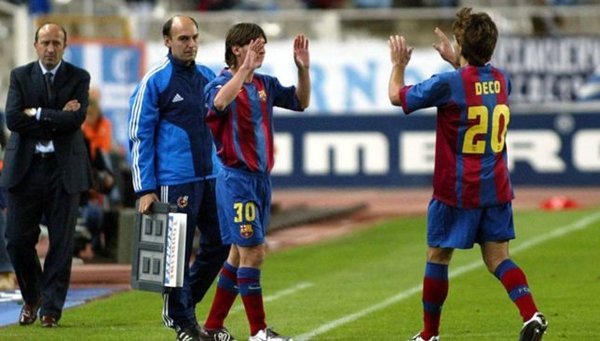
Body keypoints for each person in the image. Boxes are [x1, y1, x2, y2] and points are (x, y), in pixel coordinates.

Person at [387, 7, 548, 341]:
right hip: (497, 188)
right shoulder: (503, 80)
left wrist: (398, 65)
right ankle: (531, 314)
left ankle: (429, 335)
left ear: (460, 44)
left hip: (457, 191)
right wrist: (457, 60)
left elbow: (396, 96)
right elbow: (476, 84)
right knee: (498, 259)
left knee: (438, 256)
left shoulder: (449, 83)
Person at [199, 23, 310, 341]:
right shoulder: (219, 83)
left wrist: (302, 70)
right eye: (255, 45)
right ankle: (259, 331)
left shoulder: (265, 84)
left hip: (260, 180)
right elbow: (219, 104)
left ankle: (212, 327)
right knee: (254, 252)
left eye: (263, 46)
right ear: (236, 49)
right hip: (237, 180)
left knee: (238, 254)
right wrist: (243, 71)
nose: (261, 51)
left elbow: (301, 102)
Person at [128, 15, 230, 341]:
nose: (191, 44)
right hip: (175, 179)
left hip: (210, 176)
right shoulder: (155, 81)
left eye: (194, 38)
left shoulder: (207, 76)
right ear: (167, 41)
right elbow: (139, 135)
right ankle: (183, 322)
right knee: (174, 256)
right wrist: (145, 188)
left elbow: (222, 123)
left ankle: (184, 306)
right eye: (183, 38)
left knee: (221, 243)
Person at [1, 22, 92, 327]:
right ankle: (33, 295)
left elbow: (76, 119)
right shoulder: (20, 75)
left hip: (63, 170)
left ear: (65, 46)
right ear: (36, 45)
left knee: (61, 243)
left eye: (56, 43)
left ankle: (51, 309)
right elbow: (14, 119)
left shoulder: (79, 77)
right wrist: (57, 116)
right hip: (25, 170)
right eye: (45, 42)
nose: (50, 48)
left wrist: (37, 113)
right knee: (15, 239)